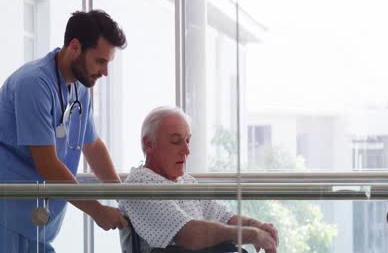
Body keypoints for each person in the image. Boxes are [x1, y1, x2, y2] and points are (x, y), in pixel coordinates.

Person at [0, 10, 129, 253]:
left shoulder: (80, 88)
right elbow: (48, 164)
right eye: (100, 61)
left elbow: (92, 145)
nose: (105, 72)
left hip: (32, 218)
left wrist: (124, 196)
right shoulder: (33, 83)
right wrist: (97, 210)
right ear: (75, 47)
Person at [119, 106, 278, 253]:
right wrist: (250, 234)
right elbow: (189, 234)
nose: (186, 150)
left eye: (187, 140)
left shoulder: (187, 182)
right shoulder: (139, 184)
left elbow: (224, 218)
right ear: (149, 144)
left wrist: (256, 226)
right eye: (176, 141)